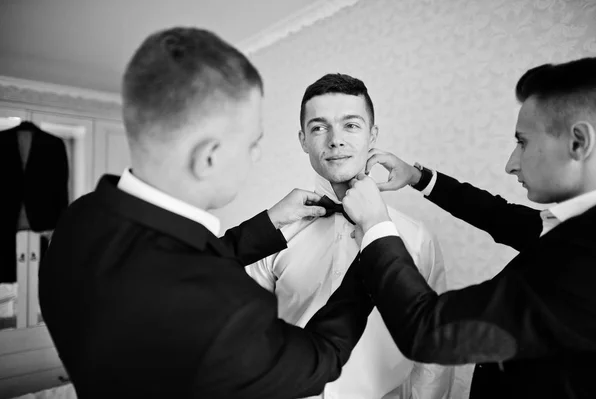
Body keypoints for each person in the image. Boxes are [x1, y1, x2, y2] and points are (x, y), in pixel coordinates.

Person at [38, 27, 376, 399]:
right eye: (253, 143)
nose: (256, 155)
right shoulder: (224, 309)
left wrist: (270, 222)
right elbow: (320, 359)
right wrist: (373, 252)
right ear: (209, 158)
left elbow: (175, 266)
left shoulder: (78, 220)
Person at [337, 56, 596, 399]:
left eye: (522, 142)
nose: (511, 164)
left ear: (579, 142)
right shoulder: (578, 229)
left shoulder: (589, 255)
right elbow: (500, 216)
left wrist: (375, 225)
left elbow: (429, 332)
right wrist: (418, 177)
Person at [246, 73, 453, 399]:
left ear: (373, 135)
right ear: (303, 140)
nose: (335, 140)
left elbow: (433, 353)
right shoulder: (270, 235)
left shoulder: (417, 238)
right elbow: (246, 336)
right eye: (319, 127)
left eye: (351, 125)